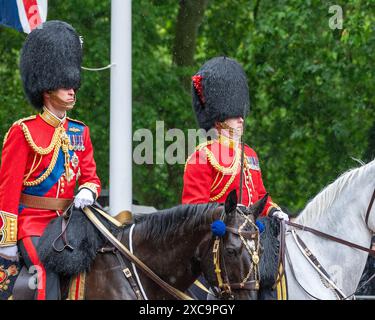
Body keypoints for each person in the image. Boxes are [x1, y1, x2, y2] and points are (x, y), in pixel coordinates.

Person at [0, 20, 101, 300]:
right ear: (46, 89)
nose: (73, 91)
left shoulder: (80, 131)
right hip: (32, 224)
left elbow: (91, 177)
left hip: (70, 224)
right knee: (44, 272)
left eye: (74, 85)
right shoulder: (24, 131)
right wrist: (7, 241)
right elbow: (7, 192)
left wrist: (86, 190)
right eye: (65, 86)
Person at [182, 56, 288, 299]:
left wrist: (273, 211)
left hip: (252, 241)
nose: (241, 118)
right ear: (218, 119)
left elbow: (260, 196)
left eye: (241, 114)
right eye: (234, 115)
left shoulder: (250, 153)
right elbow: (193, 209)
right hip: (221, 242)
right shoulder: (203, 156)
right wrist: (216, 223)